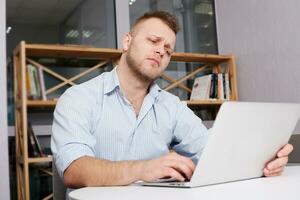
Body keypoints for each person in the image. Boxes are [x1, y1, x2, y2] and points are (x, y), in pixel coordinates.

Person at [51, 11, 293, 190]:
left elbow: (211, 153)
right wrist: (143, 169)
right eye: (153, 41)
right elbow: (74, 170)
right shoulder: (78, 98)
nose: (161, 51)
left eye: (168, 50)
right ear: (127, 42)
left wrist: (264, 161)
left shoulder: (172, 106)